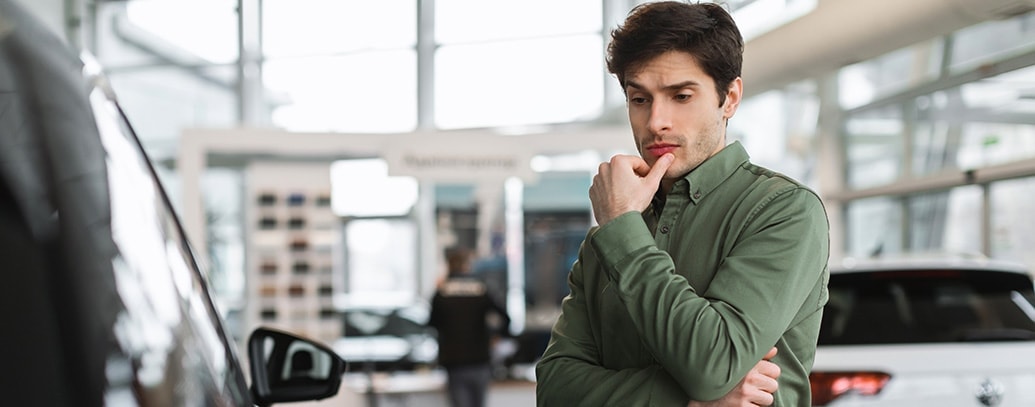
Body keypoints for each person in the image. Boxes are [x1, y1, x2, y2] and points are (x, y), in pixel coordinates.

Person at [535, 2, 830, 406]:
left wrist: (621, 227)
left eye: (681, 96)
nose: (657, 121)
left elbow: (714, 365)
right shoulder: (608, 234)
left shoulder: (784, 210)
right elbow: (554, 388)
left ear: (729, 98)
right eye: (640, 99)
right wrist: (686, 401)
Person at [429, 246, 512, 407]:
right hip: (479, 359)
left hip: (454, 361)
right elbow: (505, 317)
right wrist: (497, 336)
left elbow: (432, 323)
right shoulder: (481, 289)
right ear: (467, 266)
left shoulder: (441, 292)